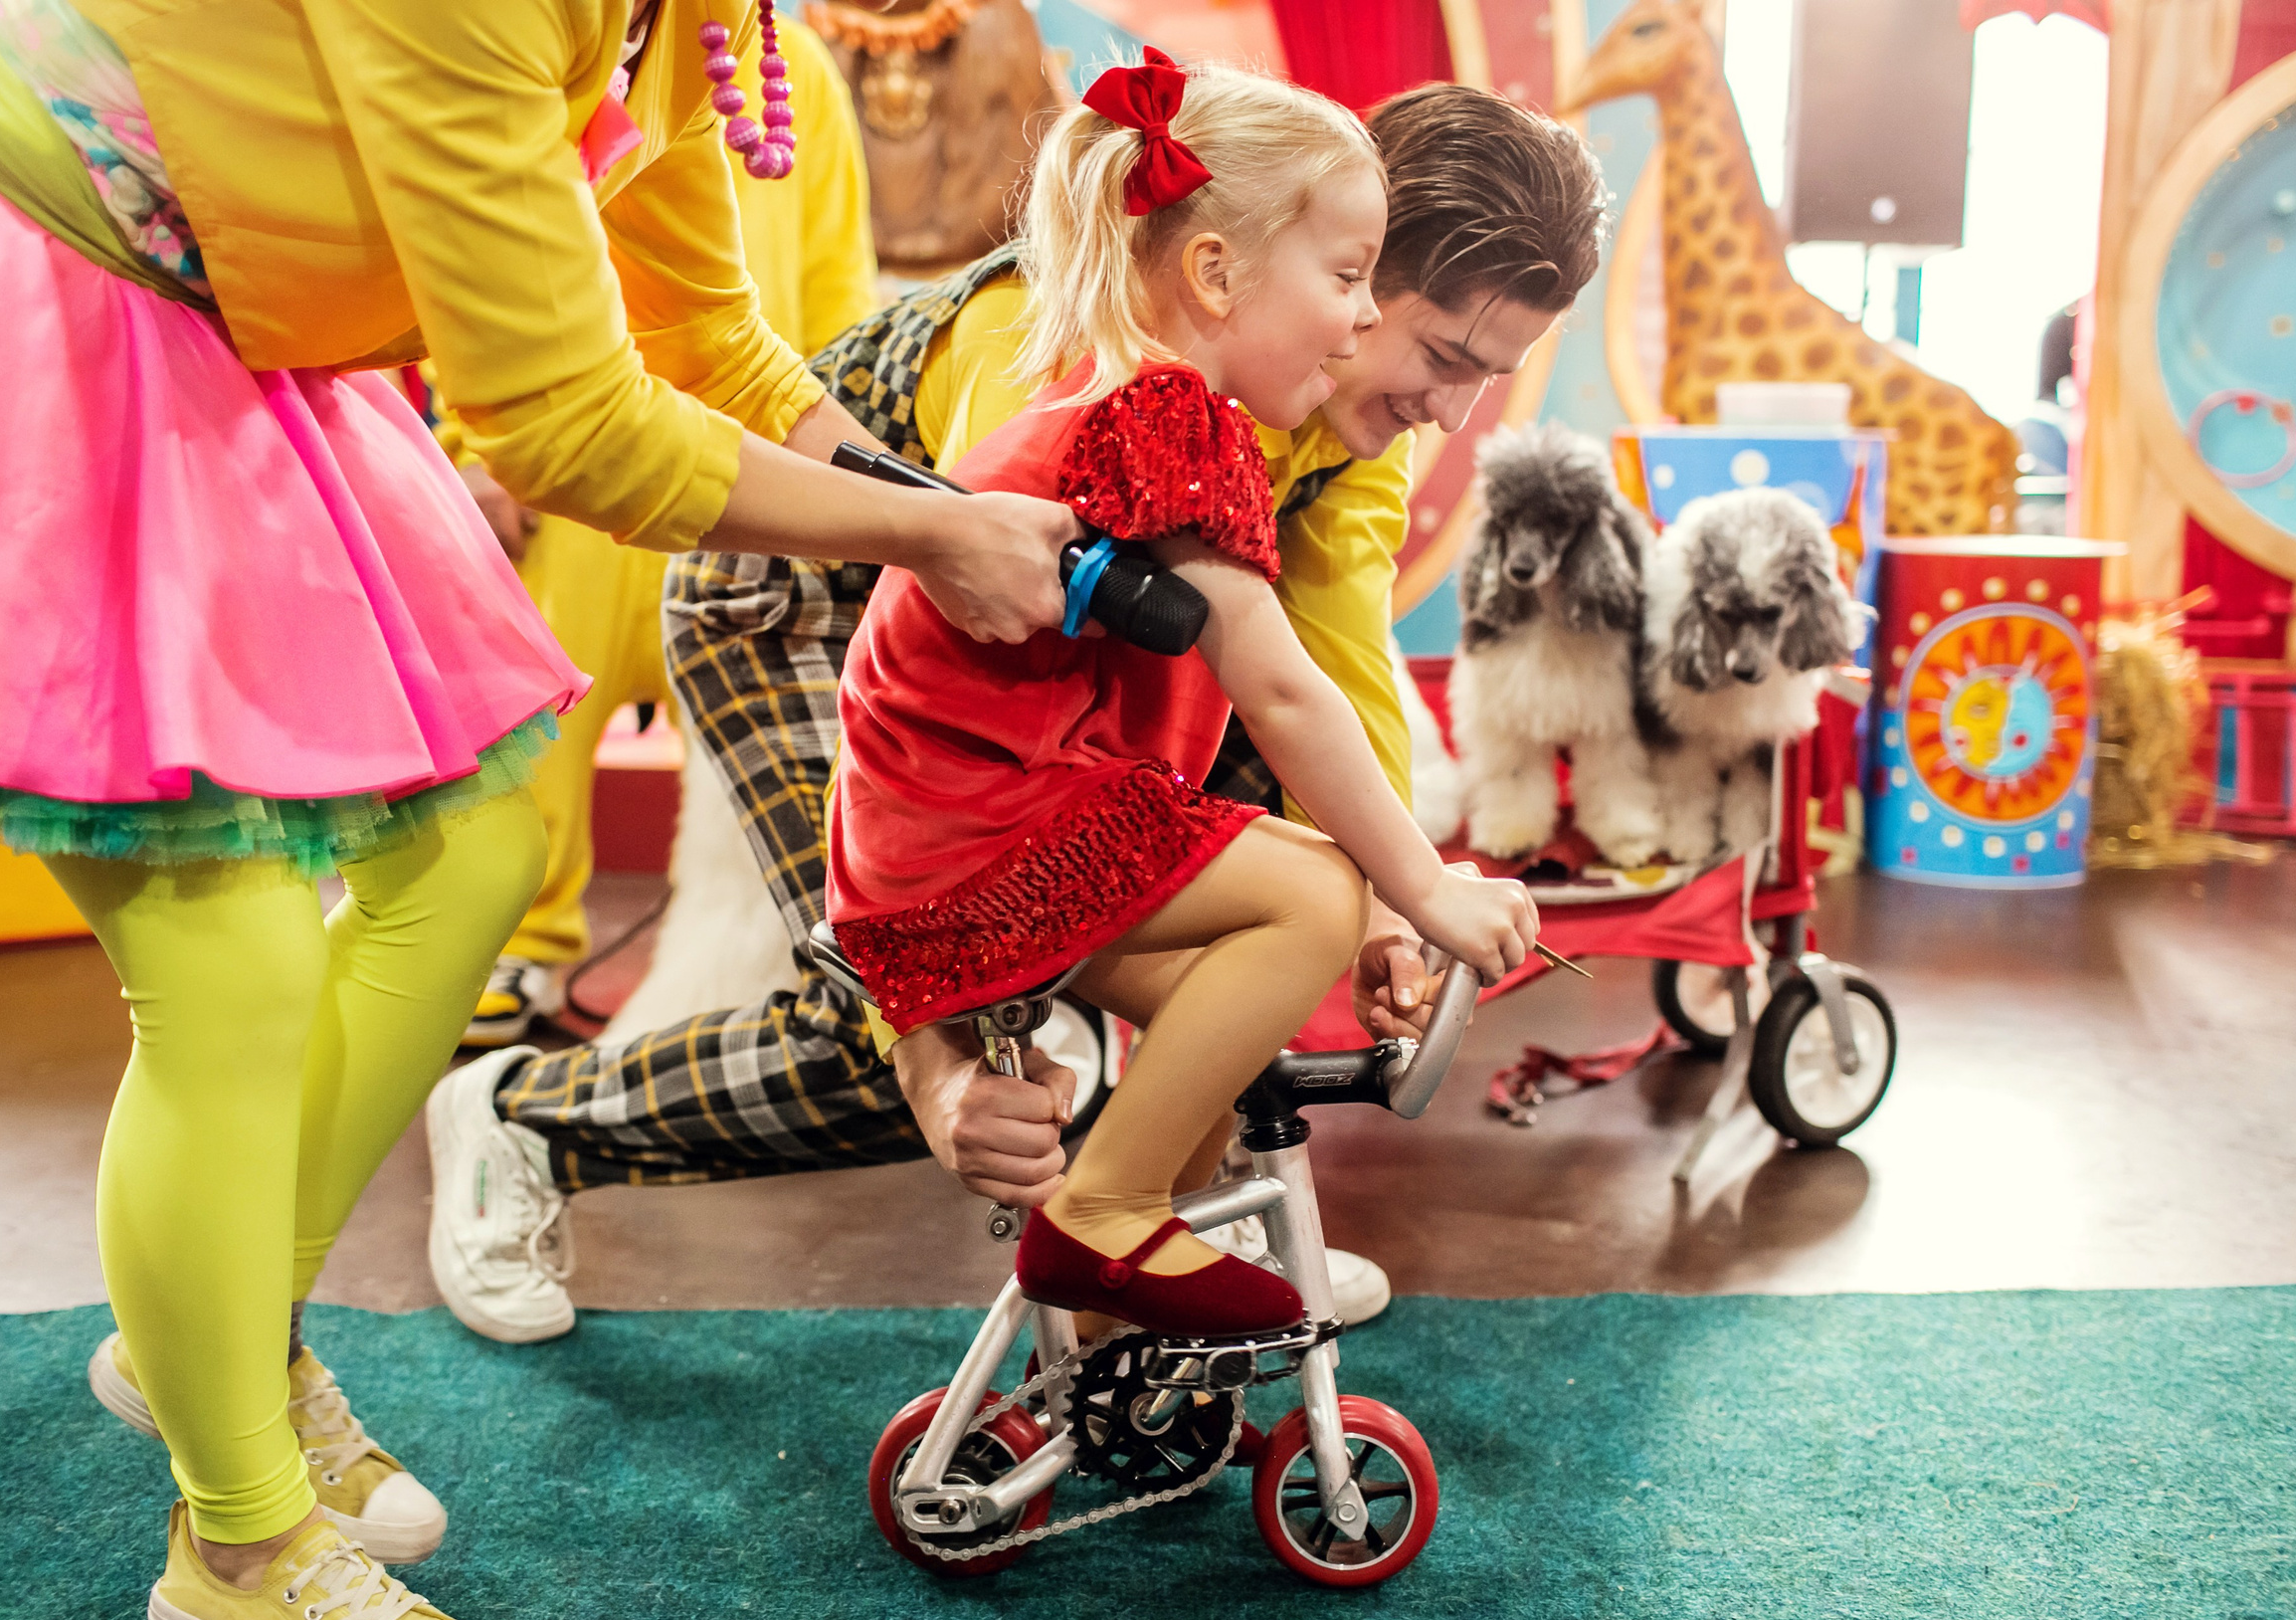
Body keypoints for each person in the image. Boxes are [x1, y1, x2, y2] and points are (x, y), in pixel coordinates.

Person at [0, 1, 1072, 1620]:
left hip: (230, 309)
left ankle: (217, 1332)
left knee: (478, 846)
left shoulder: (700, 21)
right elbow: (563, 425)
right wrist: (929, 537)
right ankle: (238, 1540)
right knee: (231, 960)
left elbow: (702, 333)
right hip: (40, 264)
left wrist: (937, 514)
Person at [426, 81, 1608, 1340]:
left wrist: (1386, 905)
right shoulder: (1089, 369)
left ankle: (1151, 1246)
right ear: (1269, 269)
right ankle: (519, 1120)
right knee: (890, 1038)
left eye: (1489, 378)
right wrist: (940, 1056)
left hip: (1033, 682)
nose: (1451, 410)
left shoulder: (1312, 405)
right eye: (1440, 355)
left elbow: (1331, 669)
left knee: (1238, 933)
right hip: (814, 604)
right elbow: (955, 674)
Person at [827, 50, 1542, 1336]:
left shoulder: (1127, 396)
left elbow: (1337, 662)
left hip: (946, 829)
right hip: (971, 824)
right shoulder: (1169, 419)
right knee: (1313, 891)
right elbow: (1284, 691)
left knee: (1228, 1007)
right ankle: (1103, 1216)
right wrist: (1422, 889)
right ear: (1213, 273)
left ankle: (1120, 1329)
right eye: (1345, 280)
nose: (1356, 320)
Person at [461, 8, 878, 1046]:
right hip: (570, 467)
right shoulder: (548, 36)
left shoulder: (791, 72)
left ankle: (778, 959)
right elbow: (466, 262)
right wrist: (468, 447)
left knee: (768, 771)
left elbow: (834, 287)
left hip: (753, 471)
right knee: (531, 728)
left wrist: (847, 473)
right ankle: (515, 938)